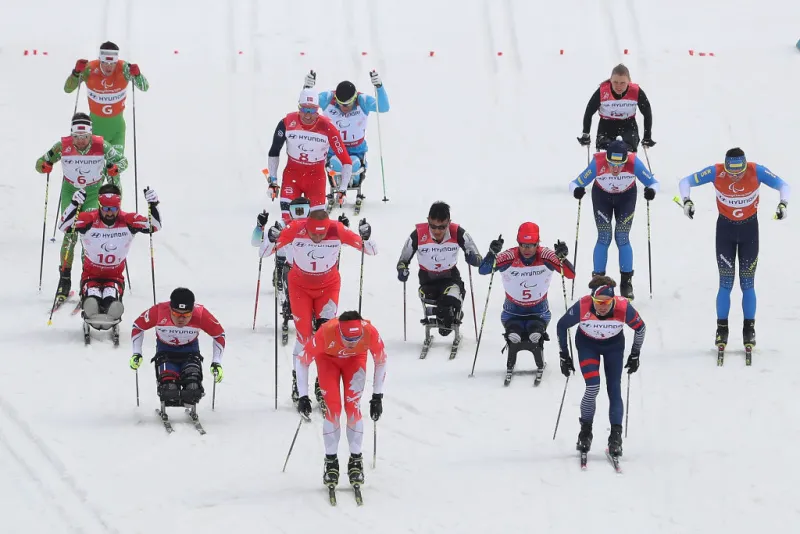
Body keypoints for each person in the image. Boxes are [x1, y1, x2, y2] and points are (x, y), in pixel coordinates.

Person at [258, 210, 376, 406]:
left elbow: (371, 250)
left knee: (326, 335)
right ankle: (298, 382)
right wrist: (271, 239)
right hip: (300, 287)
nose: (318, 238)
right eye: (314, 234)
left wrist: (367, 236)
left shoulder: (337, 229)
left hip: (328, 287)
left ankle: (321, 384)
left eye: (322, 234)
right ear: (307, 226)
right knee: (305, 337)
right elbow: (263, 253)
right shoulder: (295, 228)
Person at [678, 147, 790, 348]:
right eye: (731, 172)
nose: (736, 176)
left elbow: (783, 185)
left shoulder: (756, 171)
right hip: (725, 233)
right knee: (726, 283)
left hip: (749, 234)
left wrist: (783, 204)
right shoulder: (716, 171)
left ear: (745, 165)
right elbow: (685, 181)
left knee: (747, 284)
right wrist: (686, 200)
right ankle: (722, 328)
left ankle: (749, 328)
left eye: (739, 171)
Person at [36, 113, 128, 303]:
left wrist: (114, 169)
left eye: (84, 137)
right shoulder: (62, 146)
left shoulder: (101, 145)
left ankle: (87, 279)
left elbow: (123, 161)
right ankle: (64, 279)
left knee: (89, 235)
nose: (80, 141)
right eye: (77, 137)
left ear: (90, 134)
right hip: (71, 192)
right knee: (70, 234)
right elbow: (40, 162)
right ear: (72, 135)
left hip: (93, 194)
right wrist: (44, 166)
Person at [556, 275, 646, 458]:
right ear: (592, 299)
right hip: (588, 345)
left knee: (614, 389)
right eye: (598, 302)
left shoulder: (623, 307)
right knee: (593, 387)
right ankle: (585, 432)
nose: (602, 306)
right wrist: (564, 355)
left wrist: (635, 354)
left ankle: (615, 436)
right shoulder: (583, 305)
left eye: (607, 302)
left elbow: (641, 328)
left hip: (614, 347)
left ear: (614, 299)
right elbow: (561, 325)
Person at [295, 310, 387, 487]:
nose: (351, 343)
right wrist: (303, 396)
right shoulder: (326, 332)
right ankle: (331, 462)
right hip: (328, 360)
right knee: (333, 409)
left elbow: (381, 360)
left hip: (355, 360)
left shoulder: (370, 331)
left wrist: (377, 396)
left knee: (353, 407)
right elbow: (302, 361)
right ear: (339, 332)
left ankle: (356, 460)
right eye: (347, 339)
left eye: (356, 339)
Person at [57, 184, 160, 337]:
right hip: (91, 275)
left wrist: (153, 205)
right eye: (105, 208)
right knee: (93, 296)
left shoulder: (128, 220)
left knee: (110, 296)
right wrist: (73, 204)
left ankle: (112, 307)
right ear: (99, 205)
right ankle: (91, 304)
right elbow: (64, 226)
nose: (109, 213)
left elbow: (154, 226)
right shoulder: (89, 220)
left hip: (115, 276)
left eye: (113, 209)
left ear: (118, 206)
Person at [478, 222, 575, 375]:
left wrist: (563, 258)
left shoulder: (546, 255)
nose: (527, 249)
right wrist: (491, 253)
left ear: (538, 243)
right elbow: (483, 270)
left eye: (531, 245)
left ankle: (535, 337)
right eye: (523, 245)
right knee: (514, 332)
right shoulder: (509, 256)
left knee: (535, 332)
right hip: (512, 310)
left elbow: (570, 275)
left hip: (539, 310)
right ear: (518, 243)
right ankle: (513, 336)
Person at [569, 137, 659, 299]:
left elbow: (654, 183)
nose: (616, 169)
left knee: (622, 237)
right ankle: (598, 282)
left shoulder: (633, 162)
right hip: (602, 197)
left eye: (620, 165)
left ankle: (626, 283)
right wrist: (577, 190)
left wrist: (651, 191)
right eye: (611, 164)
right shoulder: (598, 163)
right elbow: (575, 183)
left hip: (626, 198)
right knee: (604, 236)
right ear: (606, 159)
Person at [302, 70, 390, 209]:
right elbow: (306, 105)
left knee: (354, 166)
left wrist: (379, 86)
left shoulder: (363, 101)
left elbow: (384, 107)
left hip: (356, 149)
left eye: (347, 105)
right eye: (341, 104)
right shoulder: (328, 98)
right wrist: (307, 89)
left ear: (354, 98)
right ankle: (336, 187)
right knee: (336, 165)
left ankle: (352, 183)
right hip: (334, 148)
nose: (344, 108)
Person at [264, 89, 353, 223]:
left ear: (317, 110)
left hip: (316, 179)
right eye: (304, 109)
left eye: (312, 110)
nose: (307, 114)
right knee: (288, 221)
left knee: (317, 224)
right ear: (299, 106)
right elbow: (274, 151)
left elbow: (346, 160)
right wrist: (273, 181)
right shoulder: (287, 123)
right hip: (292, 176)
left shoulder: (328, 127)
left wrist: (343, 189)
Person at [397, 201, 482, 337]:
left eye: (442, 227)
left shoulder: (458, 232)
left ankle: (448, 312)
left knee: (450, 299)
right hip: (427, 279)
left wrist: (472, 258)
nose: (437, 231)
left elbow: (479, 259)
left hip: (450, 277)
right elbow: (403, 260)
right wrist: (402, 271)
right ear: (428, 221)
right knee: (442, 305)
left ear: (449, 222)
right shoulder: (418, 234)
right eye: (433, 226)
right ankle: (446, 314)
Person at [130, 288, 225, 408]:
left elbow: (219, 335)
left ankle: (190, 397)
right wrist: (137, 353)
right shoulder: (158, 311)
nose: (181, 319)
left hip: (190, 351)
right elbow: (138, 326)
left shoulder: (201, 314)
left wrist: (216, 362)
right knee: (169, 391)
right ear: (170, 309)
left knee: (193, 390)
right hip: (165, 351)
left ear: (192, 311)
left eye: (186, 315)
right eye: (176, 314)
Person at [64, 41, 149, 161]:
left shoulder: (124, 69)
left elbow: (144, 87)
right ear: (100, 60)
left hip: (117, 130)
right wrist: (76, 73)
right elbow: (68, 89)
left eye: (112, 63)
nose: (108, 67)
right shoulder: (89, 69)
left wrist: (138, 75)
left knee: (114, 170)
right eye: (105, 63)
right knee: (94, 170)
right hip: (94, 129)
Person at [577, 64, 655, 153]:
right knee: (606, 150)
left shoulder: (636, 91)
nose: (618, 86)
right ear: (610, 80)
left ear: (629, 81)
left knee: (627, 150)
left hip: (628, 125)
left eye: (623, 83)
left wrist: (647, 136)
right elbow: (589, 112)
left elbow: (647, 113)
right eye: (615, 82)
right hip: (606, 125)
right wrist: (585, 134)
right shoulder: (603, 91)